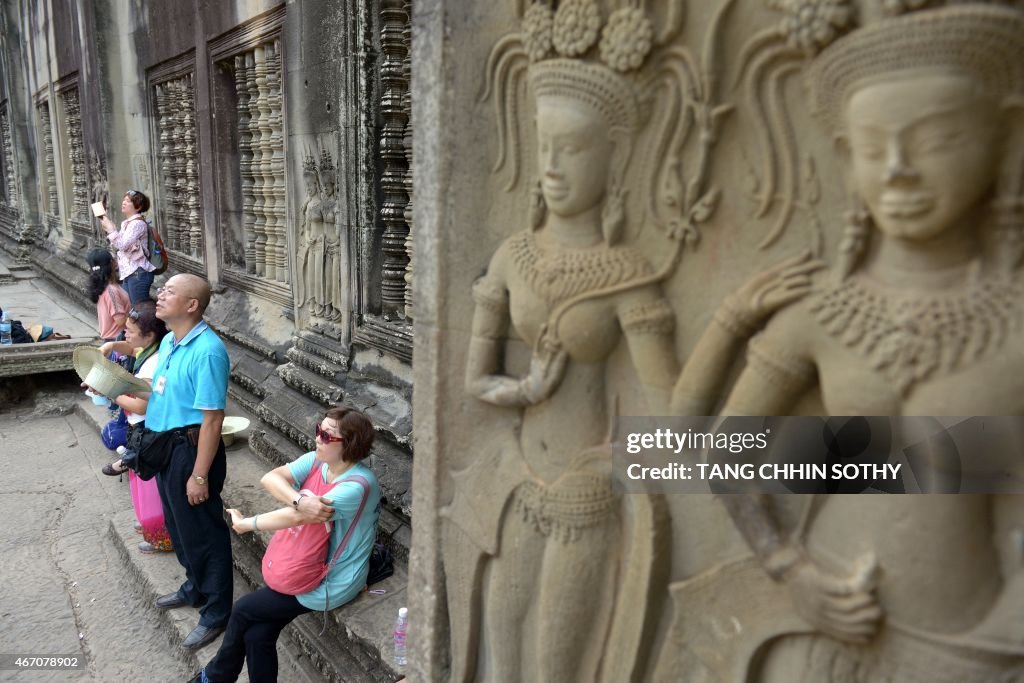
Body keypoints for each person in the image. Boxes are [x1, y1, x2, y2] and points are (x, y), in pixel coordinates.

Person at [710, 5, 1024, 681]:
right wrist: (789, 568)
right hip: (817, 630)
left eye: (938, 140)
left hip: (970, 647)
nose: (899, 171)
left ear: (1006, 138)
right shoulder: (821, 314)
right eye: (873, 147)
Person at [190, 407, 380, 683]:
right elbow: (271, 478)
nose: (317, 438)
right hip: (306, 563)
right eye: (318, 430)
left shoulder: (358, 485)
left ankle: (216, 675)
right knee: (258, 634)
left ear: (349, 444)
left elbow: (297, 517)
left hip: (333, 578)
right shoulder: (318, 462)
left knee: (244, 610)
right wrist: (300, 499)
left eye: (327, 436)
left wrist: (248, 524)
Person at [146, 273, 232, 651]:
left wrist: (199, 475)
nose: (159, 295)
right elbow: (160, 393)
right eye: (162, 290)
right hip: (166, 445)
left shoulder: (208, 351)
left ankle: (216, 611)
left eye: (169, 292)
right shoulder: (169, 340)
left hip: (192, 451)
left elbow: (213, 419)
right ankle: (194, 587)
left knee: (204, 533)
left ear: (192, 305)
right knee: (178, 526)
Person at [96, 299, 173, 554]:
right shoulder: (149, 349)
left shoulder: (153, 362)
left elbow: (142, 406)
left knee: (150, 490)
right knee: (141, 484)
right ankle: (152, 527)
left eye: (130, 331)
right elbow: (131, 349)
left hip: (146, 430)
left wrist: (109, 389)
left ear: (149, 335)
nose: (125, 333)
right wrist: (112, 345)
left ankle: (162, 537)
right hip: (138, 429)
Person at [99, 189, 155, 304]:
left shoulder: (137, 224)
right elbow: (119, 245)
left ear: (138, 207)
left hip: (138, 272)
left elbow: (122, 245)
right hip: (129, 271)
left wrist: (111, 230)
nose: (123, 202)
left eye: (128, 201)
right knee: (130, 308)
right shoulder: (126, 223)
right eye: (124, 200)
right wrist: (111, 229)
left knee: (139, 310)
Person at [86, 247, 130, 342]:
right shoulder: (111, 291)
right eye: (114, 258)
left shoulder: (104, 287)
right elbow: (120, 320)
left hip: (112, 340)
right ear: (112, 263)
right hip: (117, 341)